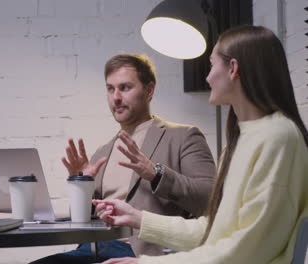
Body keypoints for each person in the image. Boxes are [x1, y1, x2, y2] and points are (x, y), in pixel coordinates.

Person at [94, 25, 308, 264]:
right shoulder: (240, 141)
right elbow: (212, 232)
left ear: (233, 69)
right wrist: (138, 218)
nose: (207, 77)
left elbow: (248, 249)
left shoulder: (278, 136)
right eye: (110, 89)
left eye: (211, 65)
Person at [30, 54, 215, 264]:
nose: (116, 97)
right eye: (110, 89)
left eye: (125, 88)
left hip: (137, 252)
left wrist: (156, 174)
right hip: (91, 249)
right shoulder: (103, 152)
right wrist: (81, 185)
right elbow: (81, 222)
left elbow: (209, 200)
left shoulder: (183, 137)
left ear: (149, 91)